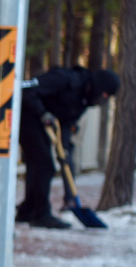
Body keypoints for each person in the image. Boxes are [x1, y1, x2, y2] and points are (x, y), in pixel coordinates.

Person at [16, 66, 119, 229]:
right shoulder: (67, 79)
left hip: (44, 123)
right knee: (44, 165)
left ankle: (27, 210)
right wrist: (42, 113)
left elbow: (67, 122)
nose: (103, 99)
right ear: (99, 86)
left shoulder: (84, 99)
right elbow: (28, 90)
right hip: (27, 114)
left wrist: (63, 149)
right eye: (105, 94)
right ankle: (41, 215)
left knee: (39, 164)